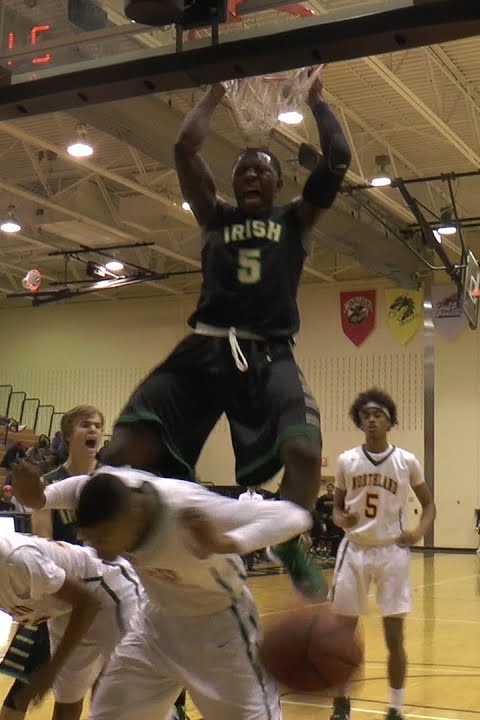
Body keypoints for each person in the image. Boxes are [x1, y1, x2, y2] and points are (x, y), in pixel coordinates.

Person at [95, 70, 350, 601]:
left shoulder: (295, 222)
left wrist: (318, 101)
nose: (252, 175)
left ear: (278, 182)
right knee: (123, 450)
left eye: (262, 170)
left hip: (268, 352)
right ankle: (108, 539)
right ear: (233, 183)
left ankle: (289, 541)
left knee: (303, 454)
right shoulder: (213, 217)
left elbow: (339, 159)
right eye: (244, 170)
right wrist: (216, 89)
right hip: (206, 347)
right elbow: (185, 147)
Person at [12, 463, 314, 719]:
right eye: (91, 539)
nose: (98, 551)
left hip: (221, 630)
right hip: (155, 625)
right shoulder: (104, 489)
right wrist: (35, 495)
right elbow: (58, 494)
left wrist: (228, 543)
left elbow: (294, 516)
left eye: (103, 538)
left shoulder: (185, 508)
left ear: (132, 513)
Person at [33, 405, 194, 720]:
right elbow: (43, 541)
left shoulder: (114, 481)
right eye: (84, 425)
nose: (93, 430)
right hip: (69, 595)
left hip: (116, 592)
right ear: (67, 436)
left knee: (112, 688)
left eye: (98, 425)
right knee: (60, 694)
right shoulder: (49, 484)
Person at [0, 497, 141, 720]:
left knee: (124, 696)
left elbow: (88, 603)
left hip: (109, 589)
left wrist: (51, 669)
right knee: (67, 697)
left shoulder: (14, 559)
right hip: (65, 610)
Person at [328, 389, 435, 720]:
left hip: (392, 550)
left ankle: (396, 708)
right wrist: (340, 518)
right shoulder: (347, 460)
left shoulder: (407, 461)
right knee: (342, 634)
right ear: (359, 421)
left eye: (377, 414)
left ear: (390, 420)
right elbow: (336, 508)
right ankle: (341, 703)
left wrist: (418, 532)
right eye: (365, 415)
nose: (371, 419)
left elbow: (429, 504)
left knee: (394, 636)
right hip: (354, 549)